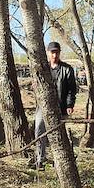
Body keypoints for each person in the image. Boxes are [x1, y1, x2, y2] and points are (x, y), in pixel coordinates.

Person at [33, 41, 78, 170]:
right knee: (39, 130)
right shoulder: (43, 68)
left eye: (57, 52)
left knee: (59, 134)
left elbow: (71, 90)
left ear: (59, 53)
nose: (54, 55)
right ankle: (40, 159)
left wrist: (70, 105)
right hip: (43, 106)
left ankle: (61, 161)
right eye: (52, 52)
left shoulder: (67, 69)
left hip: (61, 107)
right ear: (48, 53)